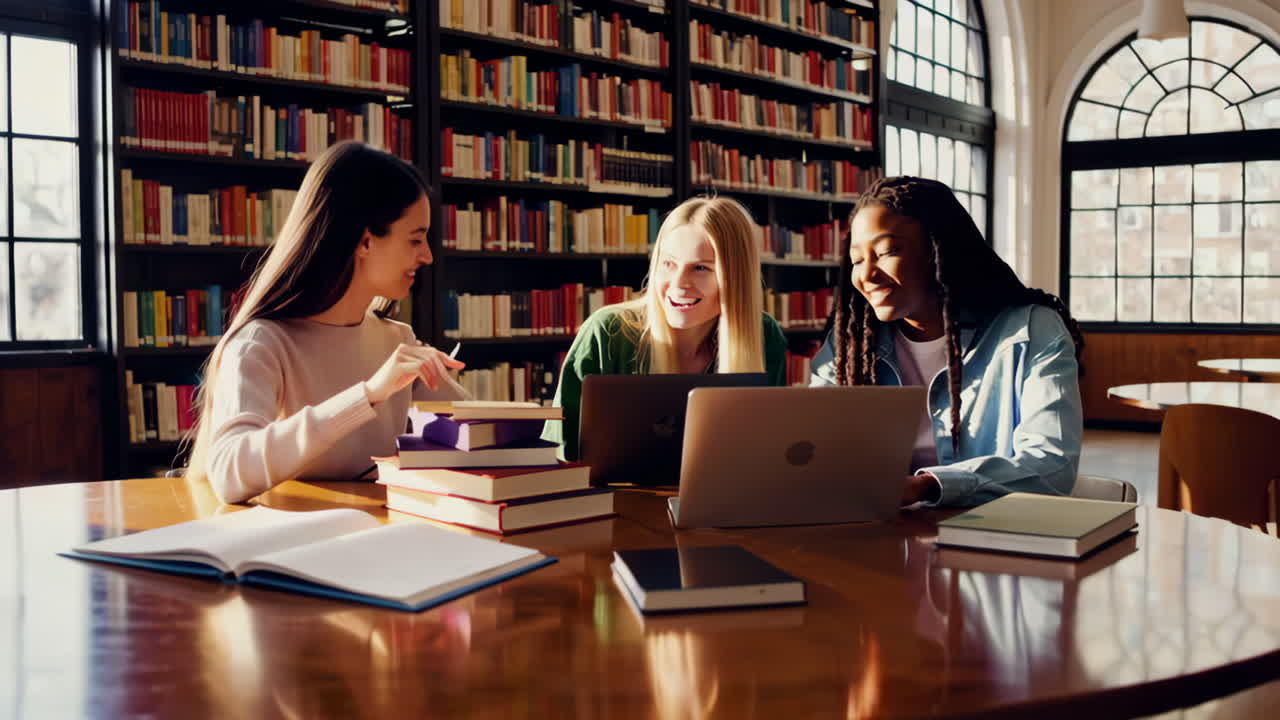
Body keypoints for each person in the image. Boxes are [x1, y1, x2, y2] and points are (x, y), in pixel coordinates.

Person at [185, 141, 467, 504]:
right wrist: (369, 394)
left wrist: (460, 408)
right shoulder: (262, 344)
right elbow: (229, 472)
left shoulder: (399, 341)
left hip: (380, 542)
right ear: (364, 241)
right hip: (289, 550)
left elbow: (477, 442)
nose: (427, 255)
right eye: (415, 239)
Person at [811, 176, 1085, 508]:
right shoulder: (853, 345)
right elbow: (813, 449)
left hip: (992, 543)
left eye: (886, 252)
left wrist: (926, 487)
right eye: (856, 260)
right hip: (878, 539)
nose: (866, 275)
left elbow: (1052, 466)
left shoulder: (1030, 331)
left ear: (938, 250)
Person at [542, 196, 789, 461]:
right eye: (669, 264)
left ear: (735, 278)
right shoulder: (607, 332)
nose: (678, 284)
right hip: (612, 501)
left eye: (700, 268)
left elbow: (767, 454)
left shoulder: (764, 334)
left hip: (723, 501)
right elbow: (560, 456)